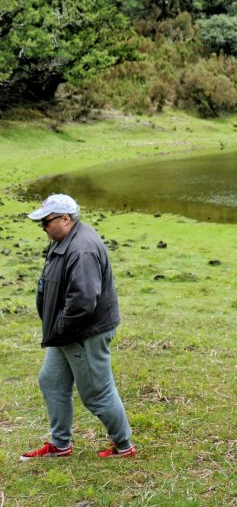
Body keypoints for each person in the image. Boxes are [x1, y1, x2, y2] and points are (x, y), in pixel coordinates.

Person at [19, 194, 136, 460]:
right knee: (51, 381)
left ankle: (124, 445)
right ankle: (61, 446)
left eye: (46, 222)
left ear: (65, 218)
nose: (43, 227)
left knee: (97, 392)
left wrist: (59, 328)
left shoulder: (81, 249)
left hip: (83, 333)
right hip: (65, 332)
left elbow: (83, 302)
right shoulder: (63, 239)